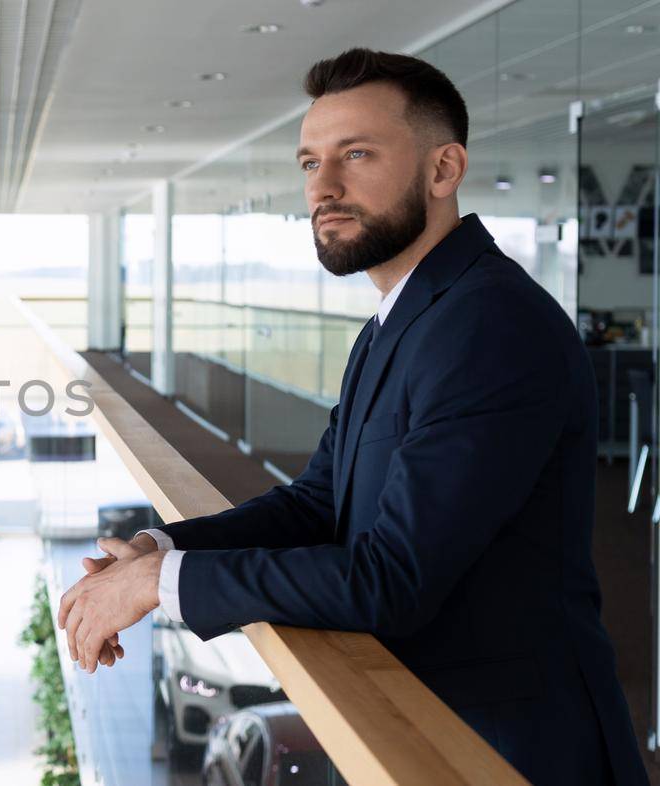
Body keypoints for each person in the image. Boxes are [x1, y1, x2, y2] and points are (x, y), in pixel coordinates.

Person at [56, 48, 648, 784]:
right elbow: (318, 502)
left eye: (356, 154)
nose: (324, 187)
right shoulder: (400, 321)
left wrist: (162, 584)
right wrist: (156, 547)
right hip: (421, 727)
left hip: (511, 749)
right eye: (310, 163)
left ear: (443, 170)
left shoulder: (491, 326)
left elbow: (390, 579)